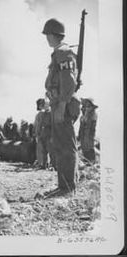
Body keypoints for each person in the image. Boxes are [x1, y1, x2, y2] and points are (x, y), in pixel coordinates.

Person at [42, 18, 81, 198]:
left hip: (63, 105)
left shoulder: (63, 52)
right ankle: (64, 185)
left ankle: (67, 188)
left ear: (53, 35)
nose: (46, 38)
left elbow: (69, 81)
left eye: (47, 35)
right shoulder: (59, 53)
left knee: (66, 145)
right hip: (59, 103)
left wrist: (62, 104)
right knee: (60, 144)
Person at [33, 98, 55, 169]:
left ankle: (54, 165)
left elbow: (53, 125)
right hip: (42, 134)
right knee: (43, 151)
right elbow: (38, 125)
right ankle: (44, 165)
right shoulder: (41, 114)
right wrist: (37, 134)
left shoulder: (51, 113)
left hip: (48, 134)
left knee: (51, 151)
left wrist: (52, 136)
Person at [78, 98, 98, 163]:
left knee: (89, 147)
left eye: (88, 106)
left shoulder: (93, 115)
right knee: (84, 148)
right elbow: (81, 128)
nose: (86, 108)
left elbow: (90, 128)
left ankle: (91, 161)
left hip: (89, 136)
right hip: (84, 136)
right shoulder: (83, 116)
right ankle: (87, 161)